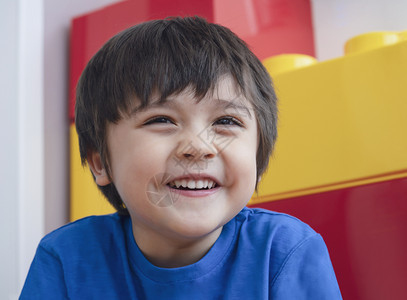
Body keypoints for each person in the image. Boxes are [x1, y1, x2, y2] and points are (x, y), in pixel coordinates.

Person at [20, 16, 342, 299]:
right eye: (161, 120)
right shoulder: (65, 259)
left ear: (257, 160)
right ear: (100, 162)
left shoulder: (285, 252)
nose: (198, 147)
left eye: (226, 122)